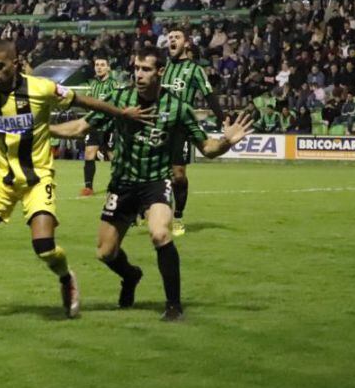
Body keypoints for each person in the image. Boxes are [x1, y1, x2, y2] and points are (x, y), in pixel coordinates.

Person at [0, 40, 151, 326]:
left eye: (0, 66)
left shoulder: (40, 89)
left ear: (16, 62)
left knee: (45, 248)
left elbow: (82, 101)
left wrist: (121, 113)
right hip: (1, 178)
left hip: (38, 178)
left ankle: (66, 278)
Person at [50, 47, 253, 321]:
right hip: (122, 183)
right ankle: (131, 275)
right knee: (105, 253)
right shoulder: (120, 98)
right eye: (136, 68)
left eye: (146, 69)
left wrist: (227, 141)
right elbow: (79, 128)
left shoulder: (178, 108)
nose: (139, 74)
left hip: (156, 182)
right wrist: (44, 130)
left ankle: (173, 305)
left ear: (160, 72)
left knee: (160, 234)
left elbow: (207, 148)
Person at [162, 27, 225, 236]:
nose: (172, 40)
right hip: (159, 124)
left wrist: (223, 119)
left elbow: (209, 95)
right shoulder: (164, 68)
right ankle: (154, 213)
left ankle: (178, 216)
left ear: (186, 43)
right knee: (155, 173)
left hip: (181, 126)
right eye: (170, 37)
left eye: (177, 37)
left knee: (178, 176)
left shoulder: (194, 69)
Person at [81, 55, 118, 197]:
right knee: (89, 153)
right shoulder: (93, 84)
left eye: (102, 64)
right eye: (97, 65)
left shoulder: (113, 84)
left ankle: (117, 184)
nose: (99, 67)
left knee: (112, 155)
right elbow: (88, 102)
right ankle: (88, 187)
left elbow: (116, 103)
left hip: (109, 125)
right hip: (94, 125)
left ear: (108, 67)